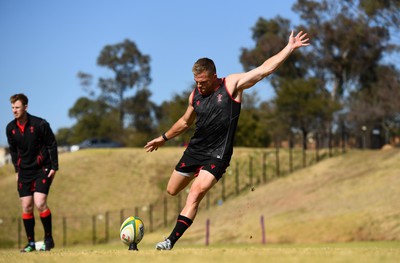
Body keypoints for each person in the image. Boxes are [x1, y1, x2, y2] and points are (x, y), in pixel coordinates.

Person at [144, 30, 310, 250]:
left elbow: (263, 70)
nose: (199, 86)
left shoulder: (231, 85)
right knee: (172, 190)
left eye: (203, 81)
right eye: (196, 81)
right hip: (195, 150)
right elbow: (185, 122)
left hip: (218, 154)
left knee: (195, 194)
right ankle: (197, 173)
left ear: (214, 76)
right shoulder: (195, 95)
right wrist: (163, 138)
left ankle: (169, 241)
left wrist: (289, 48)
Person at [6, 94, 59, 252]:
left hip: (41, 169)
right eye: (12, 108)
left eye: (17, 107)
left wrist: (54, 167)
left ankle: (48, 240)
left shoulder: (40, 124)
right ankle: (31, 243)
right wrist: (17, 170)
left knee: (40, 203)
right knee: (27, 206)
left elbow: (52, 144)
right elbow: (13, 151)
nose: (14, 110)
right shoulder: (10, 128)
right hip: (24, 172)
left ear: (26, 107)